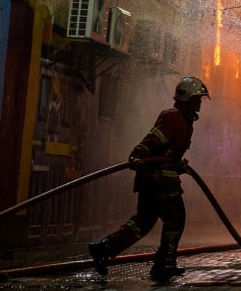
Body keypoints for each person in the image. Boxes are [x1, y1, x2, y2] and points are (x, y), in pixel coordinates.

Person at [88, 76, 209, 281]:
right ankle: (164, 264)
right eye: (197, 99)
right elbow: (152, 141)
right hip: (158, 181)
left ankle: (104, 248)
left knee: (143, 222)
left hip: (156, 179)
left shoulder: (186, 121)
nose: (199, 104)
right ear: (186, 98)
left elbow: (167, 152)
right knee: (175, 219)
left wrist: (177, 164)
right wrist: (138, 155)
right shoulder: (173, 116)